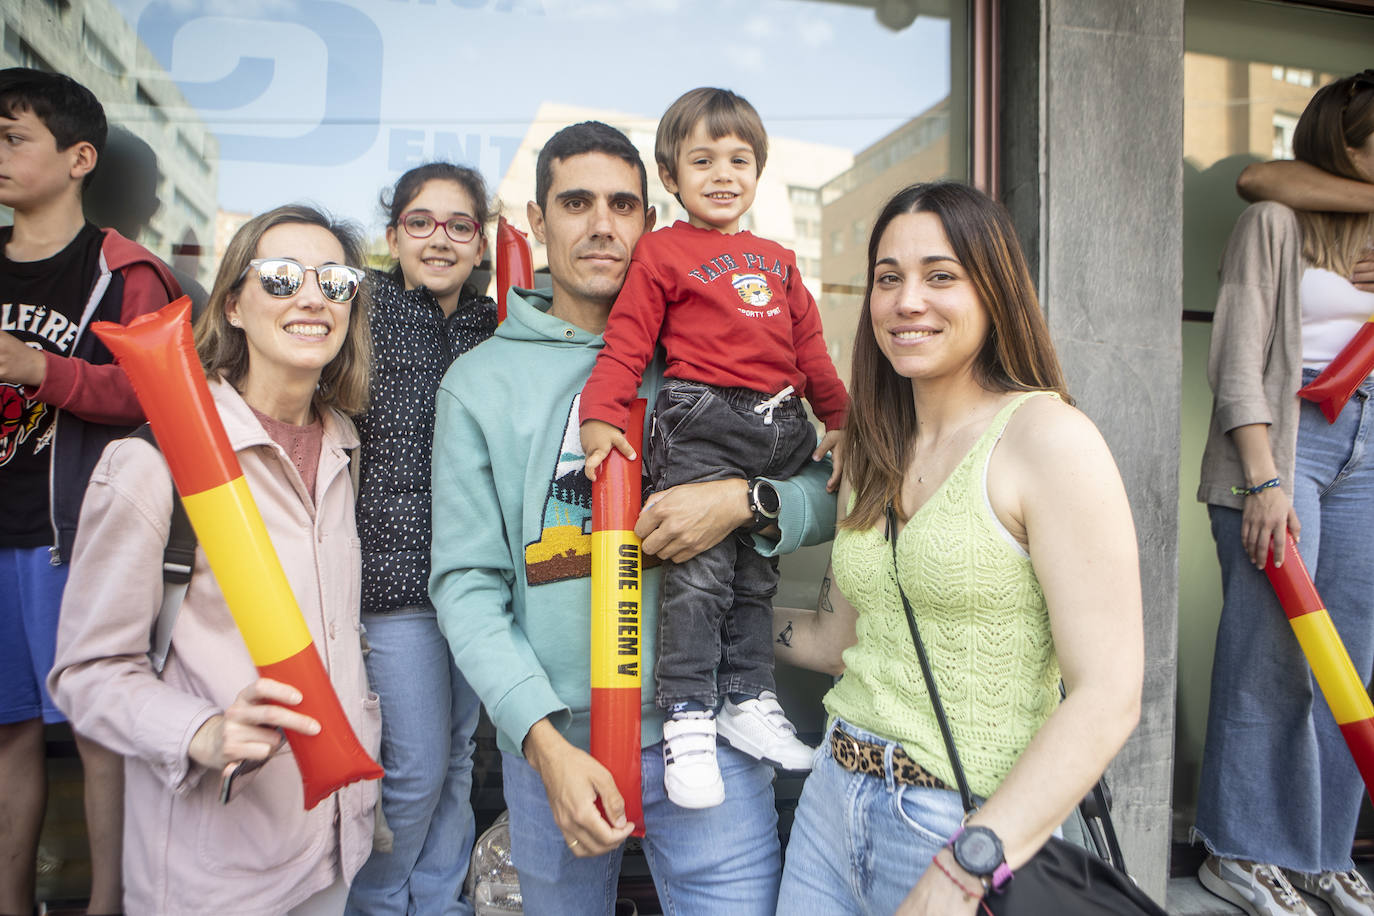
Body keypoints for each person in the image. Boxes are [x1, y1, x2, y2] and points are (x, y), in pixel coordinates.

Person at [429, 120, 835, 916]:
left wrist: (742, 502)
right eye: (576, 203)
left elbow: (827, 493)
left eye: (624, 204)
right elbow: (468, 586)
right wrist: (542, 744)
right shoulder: (479, 383)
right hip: (559, 746)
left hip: (713, 731)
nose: (603, 224)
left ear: (654, 221)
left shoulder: (710, 349)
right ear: (536, 222)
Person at [770, 181, 1144, 916]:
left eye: (941, 276)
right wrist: (704, 619)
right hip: (830, 801)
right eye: (888, 278)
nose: (908, 300)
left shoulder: (1049, 441)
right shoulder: (874, 449)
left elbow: (1108, 696)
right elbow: (834, 640)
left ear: (994, 290)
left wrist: (970, 862)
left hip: (958, 828)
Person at [49, 204, 379, 915]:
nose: (313, 297)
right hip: (213, 870)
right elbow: (86, 673)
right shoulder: (149, 464)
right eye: (283, 277)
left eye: (336, 280)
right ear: (233, 303)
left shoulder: (347, 450)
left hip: (334, 847)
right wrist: (199, 731)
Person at [577, 88, 847, 809]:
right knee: (700, 578)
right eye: (703, 160)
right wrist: (601, 412)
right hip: (701, 419)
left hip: (780, 422)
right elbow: (628, 340)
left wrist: (844, 421)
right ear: (671, 176)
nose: (722, 173)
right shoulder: (663, 250)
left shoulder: (781, 261)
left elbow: (813, 356)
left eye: (739, 159)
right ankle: (688, 718)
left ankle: (747, 698)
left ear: (759, 171)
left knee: (755, 577)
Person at [0, 68, 181, 916]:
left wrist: (43, 370)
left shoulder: (123, 271)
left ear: (80, 158)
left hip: (69, 535)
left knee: (101, 732)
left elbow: (156, 394)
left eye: (13, 137)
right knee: (9, 733)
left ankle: (109, 903)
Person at [1193, 72, 1374, 916]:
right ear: (1346, 141)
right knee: (1271, 661)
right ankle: (1238, 848)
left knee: (1351, 666)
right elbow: (1235, 359)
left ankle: (1321, 852)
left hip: (1369, 443)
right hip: (1287, 437)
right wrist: (1262, 478)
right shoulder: (1275, 223)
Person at [345, 163, 497, 916]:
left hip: (478, 583)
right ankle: (375, 904)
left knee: (459, 760)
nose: (440, 239)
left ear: (481, 241)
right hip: (391, 582)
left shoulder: (498, 326)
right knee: (410, 769)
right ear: (393, 235)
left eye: (459, 224)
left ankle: (435, 903)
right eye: (420, 222)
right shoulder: (358, 313)